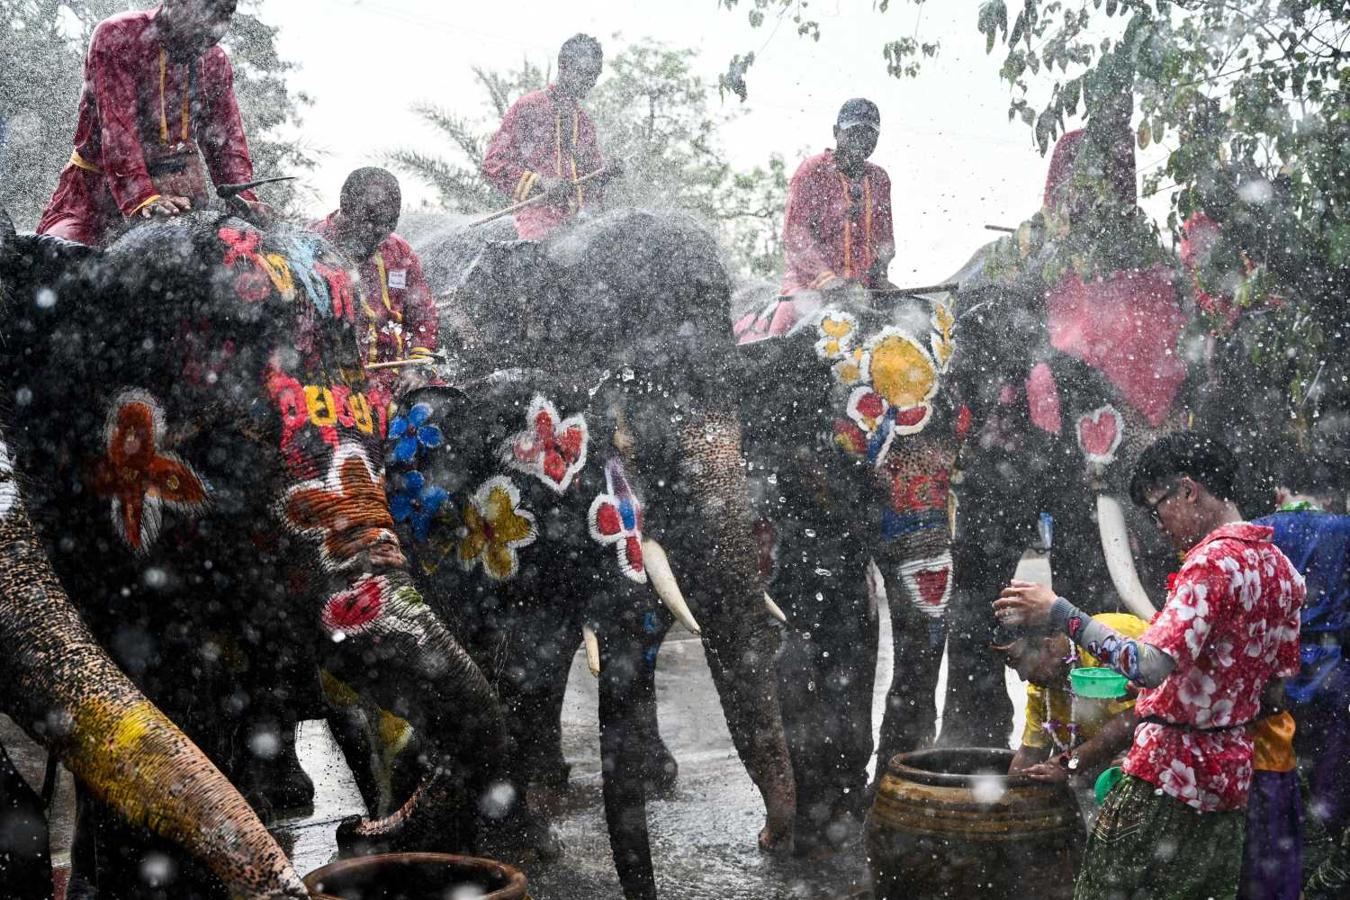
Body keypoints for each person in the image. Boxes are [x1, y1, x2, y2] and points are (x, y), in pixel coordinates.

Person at [994, 433, 1304, 900]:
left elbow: (1147, 665)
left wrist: (1060, 612)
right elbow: (1276, 691)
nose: (1159, 525)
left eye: (1158, 507)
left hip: (1165, 782)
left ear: (1188, 489)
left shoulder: (1211, 565)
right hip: (1230, 789)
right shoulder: (1281, 569)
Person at [36, 0, 258, 245]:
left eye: (225, 13)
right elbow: (118, 133)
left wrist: (245, 201)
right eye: (206, 9)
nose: (215, 26)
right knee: (62, 258)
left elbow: (226, 144)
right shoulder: (118, 36)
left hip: (183, 201)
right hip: (94, 203)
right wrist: (144, 197)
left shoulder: (215, 61)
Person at [733, 98, 895, 343]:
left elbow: (884, 241)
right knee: (781, 339)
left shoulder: (879, 179)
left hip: (864, 291)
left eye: (869, 134)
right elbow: (796, 237)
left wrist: (880, 278)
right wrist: (828, 280)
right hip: (808, 288)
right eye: (853, 132)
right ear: (835, 133)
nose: (861, 140)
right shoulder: (812, 171)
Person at [313, 168, 439, 396]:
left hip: (398, 383)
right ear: (346, 207)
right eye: (372, 221)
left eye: (389, 223)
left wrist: (417, 367)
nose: (380, 232)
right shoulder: (312, 247)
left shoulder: (399, 251)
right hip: (335, 387)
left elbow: (424, 315)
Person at [481, 34, 621, 239]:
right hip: (536, 219)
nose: (591, 82)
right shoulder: (528, 106)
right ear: (564, 66)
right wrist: (542, 183)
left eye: (595, 75)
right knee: (538, 258)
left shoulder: (584, 124)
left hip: (580, 224)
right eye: (585, 73)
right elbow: (494, 163)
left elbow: (590, 181)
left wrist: (606, 173)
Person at [998, 612, 1148, 782]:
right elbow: (1030, 752)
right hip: (1095, 755)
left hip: (1163, 741)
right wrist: (1006, 798)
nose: (1022, 678)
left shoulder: (1105, 638)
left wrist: (1069, 763)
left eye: (1022, 664)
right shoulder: (1043, 685)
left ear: (1049, 646)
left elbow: (1135, 715)